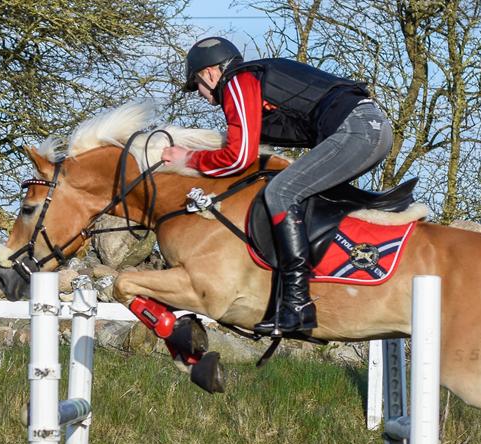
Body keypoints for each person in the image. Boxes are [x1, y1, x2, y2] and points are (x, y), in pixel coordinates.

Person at [162, 37, 394, 336]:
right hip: (367, 128)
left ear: (209, 73)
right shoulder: (255, 81)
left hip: (357, 130)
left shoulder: (237, 81)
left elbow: (238, 157)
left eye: (197, 85)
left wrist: (189, 158)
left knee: (281, 192)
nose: (203, 96)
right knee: (298, 192)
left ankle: (296, 304)